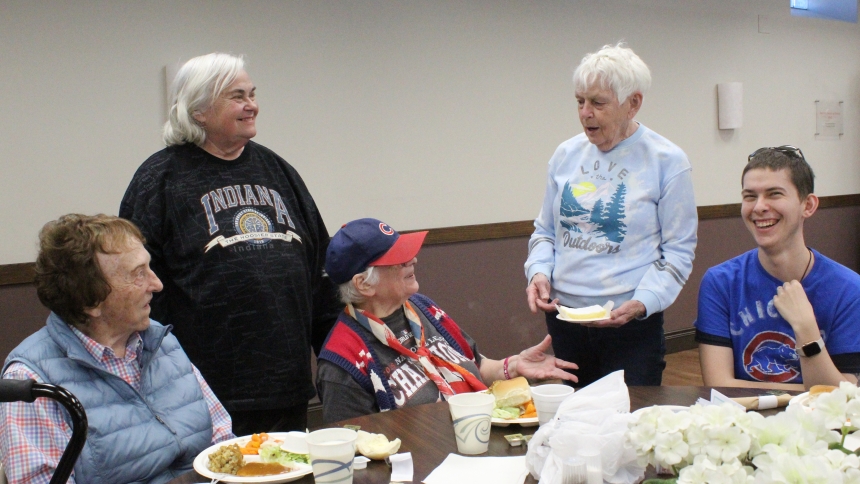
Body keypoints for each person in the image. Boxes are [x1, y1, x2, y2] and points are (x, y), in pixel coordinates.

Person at [119, 53, 341, 434]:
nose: (252, 105)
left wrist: (335, 358)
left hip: (285, 386)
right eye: (237, 96)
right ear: (200, 108)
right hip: (199, 391)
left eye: (252, 94)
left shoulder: (278, 171)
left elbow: (320, 272)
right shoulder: (159, 178)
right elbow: (134, 281)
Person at [0, 214, 233, 484]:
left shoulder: (161, 342)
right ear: (90, 300)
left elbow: (224, 444)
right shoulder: (33, 381)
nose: (156, 284)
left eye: (150, 268)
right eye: (138, 274)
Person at [524, 43, 697, 387]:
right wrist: (538, 271)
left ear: (633, 103)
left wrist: (641, 303)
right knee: (576, 423)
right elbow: (545, 232)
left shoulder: (667, 161)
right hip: (565, 319)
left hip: (631, 326)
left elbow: (678, 251)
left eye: (598, 103)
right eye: (580, 101)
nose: (585, 113)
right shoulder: (565, 155)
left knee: (631, 422)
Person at [316, 218, 579, 423]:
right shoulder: (343, 362)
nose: (414, 260)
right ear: (363, 284)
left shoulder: (423, 308)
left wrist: (513, 366)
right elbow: (357, 452)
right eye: (399, 260)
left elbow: (476, 365)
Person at [695, 146, 860, 390]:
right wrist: (809, 391)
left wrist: (805, 327)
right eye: (750, 196)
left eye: (774, 194)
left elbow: (845, 398)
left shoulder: (849, 290)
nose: (759, 206)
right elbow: (720, 386)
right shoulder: (720, 282)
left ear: (808, 205)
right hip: (743, 420)